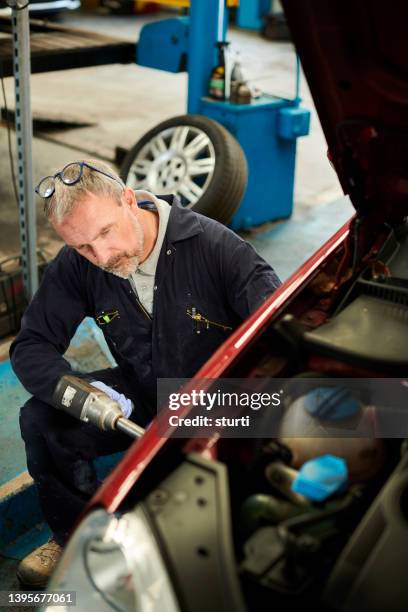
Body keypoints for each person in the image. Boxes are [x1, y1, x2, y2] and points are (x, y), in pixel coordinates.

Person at [10, 159, 281, 587]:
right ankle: (73, 535)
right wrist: (77, 392)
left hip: (217, 403)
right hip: (142, 393)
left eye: (105, 233)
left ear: (129, 200)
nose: (101, 256)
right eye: (83, 247)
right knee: (42, 420)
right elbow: (31, 345)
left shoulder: (216, 248)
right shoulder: (80, 263)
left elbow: (279, 340)